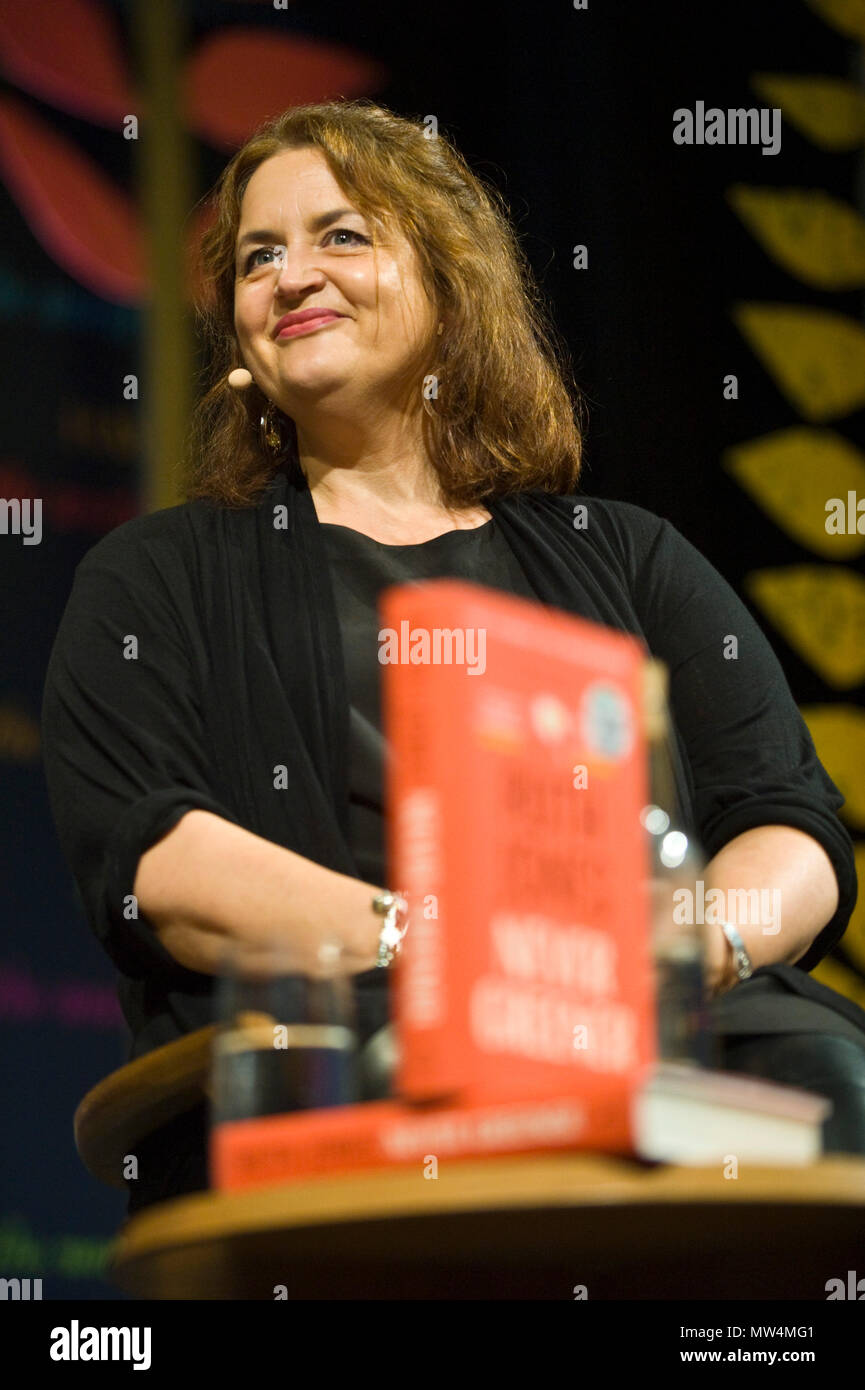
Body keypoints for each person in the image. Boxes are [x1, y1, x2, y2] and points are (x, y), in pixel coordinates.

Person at [41, 99, 865, 1217]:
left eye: (342, 235)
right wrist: (450, 955)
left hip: (647, 1040)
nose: (291, 277)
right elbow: (154, 866)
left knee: (821, 1073)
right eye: (256, 258)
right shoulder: (155, 578)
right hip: (350, 1038)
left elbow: (788, 824)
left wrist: (697, 946)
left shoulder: (624, 556)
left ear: (450, 282)